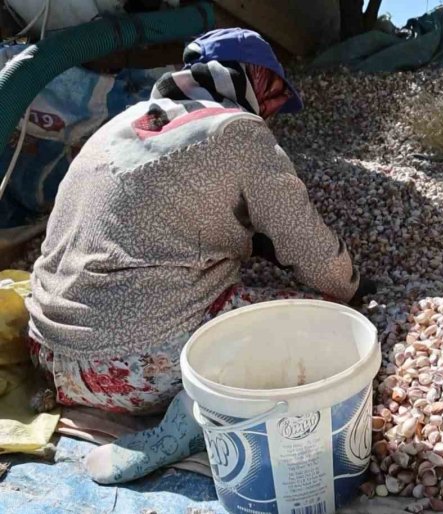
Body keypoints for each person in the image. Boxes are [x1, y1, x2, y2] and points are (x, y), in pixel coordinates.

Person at [25, 28, 374, 483]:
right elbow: (312, 253)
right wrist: (352, 286)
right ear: (251, 76)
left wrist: (247, 242)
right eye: (271, 95)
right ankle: (194, 417)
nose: (270, 112)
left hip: (48, 354)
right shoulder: (239, 131)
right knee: (321, 320)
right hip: (131, 369)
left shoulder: (122, 122)